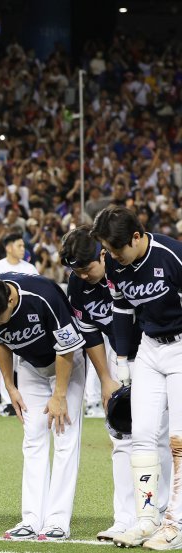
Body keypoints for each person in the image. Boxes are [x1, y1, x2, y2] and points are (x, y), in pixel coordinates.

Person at [59, 225, 171, 543]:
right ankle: (124, 518)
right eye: (75, 270)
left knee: (158, 436)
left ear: (103, 252)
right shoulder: (78, 285)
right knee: (121, 439)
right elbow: (91, 332)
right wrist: (106, 379)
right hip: (118, 359)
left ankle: (159, 515)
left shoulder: (132, 269)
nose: (81, 275)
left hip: (156, 351)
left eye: (86, 267)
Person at [0, 273, 87, 541]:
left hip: (67, 363)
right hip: (30, 366)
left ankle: (57, 521)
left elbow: (66, 348)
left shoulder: (43, 295)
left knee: (64, 436)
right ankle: (32, 519)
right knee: (32, 438)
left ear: (10, 299)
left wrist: (59, 394)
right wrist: (10, 387)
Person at [91, 206, 182, 548]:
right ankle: (146, 519)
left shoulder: (173, 256)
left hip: (181, 347)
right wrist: (122, 357)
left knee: (178, 439)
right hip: (148, 349)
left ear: (138, 236)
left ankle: (175, 524)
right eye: (109, 251)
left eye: (117, 249)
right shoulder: (114, 261)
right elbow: (122, 308)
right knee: (141, 435)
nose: (113, 257)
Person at [0, 232, 38, 417]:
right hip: (2, 323)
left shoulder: (30, 268)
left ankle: (19, 400)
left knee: (21, 364)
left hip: (25, 323)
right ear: (8, 247)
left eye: (24, 245)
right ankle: (4, 402)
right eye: (20, 245)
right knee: (1, 364)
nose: (23, 248)